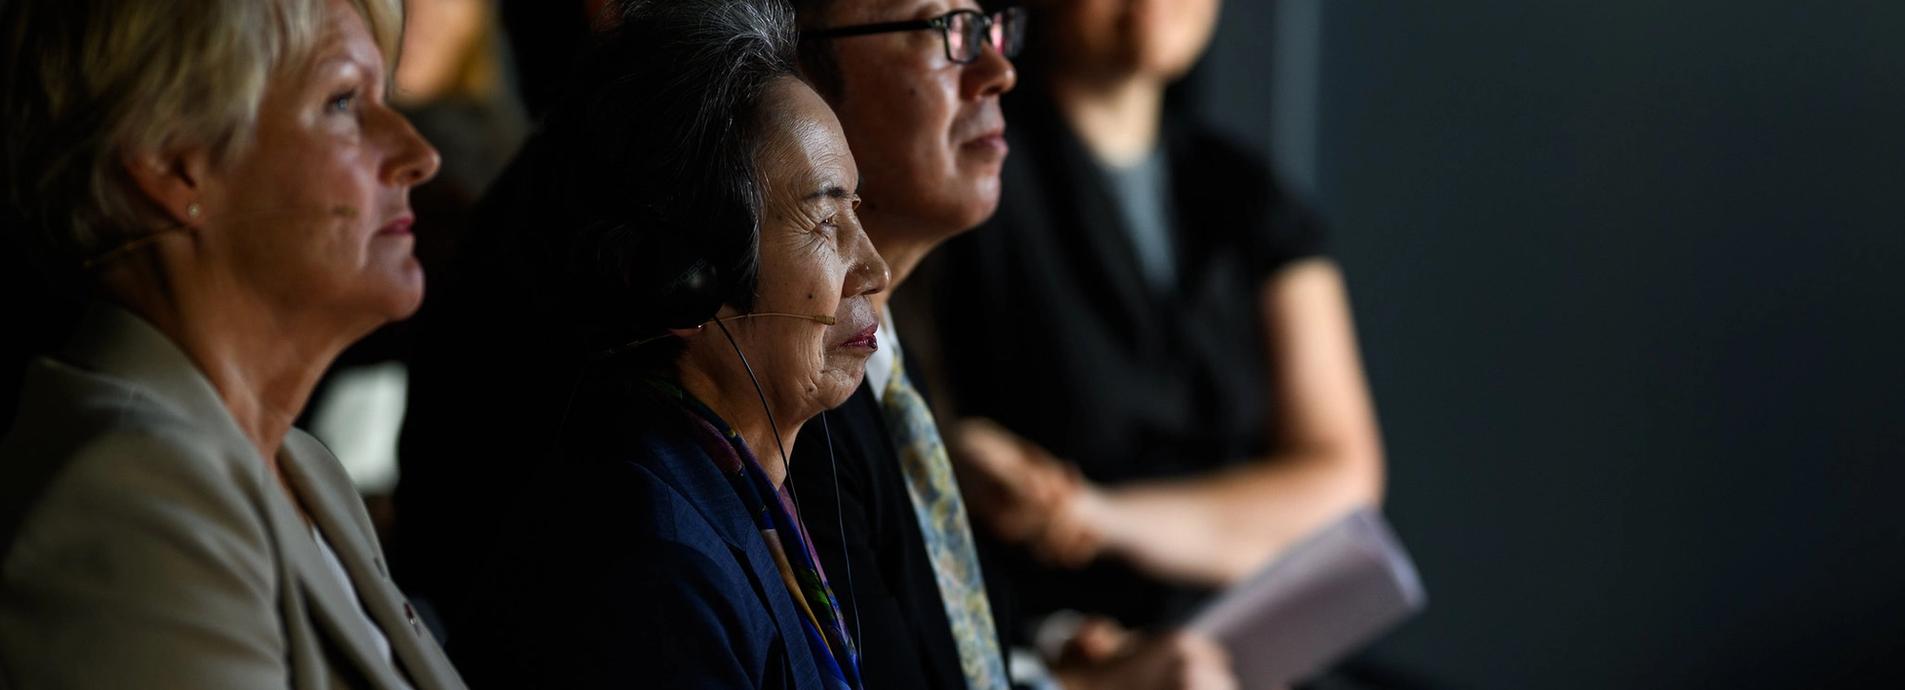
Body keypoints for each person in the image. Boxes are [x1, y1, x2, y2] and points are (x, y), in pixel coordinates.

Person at [0, 0, 464, 687]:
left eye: (383, 97)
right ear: (170, 160)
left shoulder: (303, 468)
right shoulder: (131, 502)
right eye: (342, 101)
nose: (418, 155)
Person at [439, 1, 889, 687]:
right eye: (826, 220)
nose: (874, 269)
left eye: (856, 212)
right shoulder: (649, 569)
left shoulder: (718, 488)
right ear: (686, 272)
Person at [785, 1, 1235, 689]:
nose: (998, 72)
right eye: (942, 31)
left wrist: (1047, 658)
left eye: (990, 28)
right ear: (794, 73)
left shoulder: (893, 359)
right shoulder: (794, 399)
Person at [923, 0, 1386, 662]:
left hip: (1253, 650)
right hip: (1048, 646)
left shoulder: (1253, 196)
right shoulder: (964, 186)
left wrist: (1095, 517)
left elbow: (1343, 483)